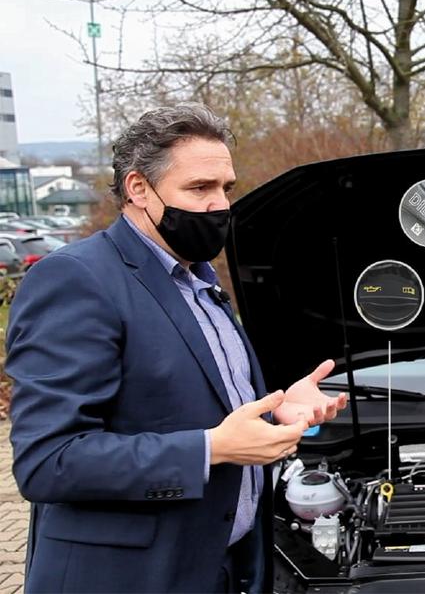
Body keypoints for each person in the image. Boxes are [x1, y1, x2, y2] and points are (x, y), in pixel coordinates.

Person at [6, 103, 348, 593]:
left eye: (226, 188)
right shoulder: (76, 280)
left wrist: (276, 410)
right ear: (138, 188)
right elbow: (49, 461)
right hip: (129, 580)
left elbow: (188, 404)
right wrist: (210, 449)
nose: (219, 205)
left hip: (223, 567)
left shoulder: (200, 283)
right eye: (199, 188)